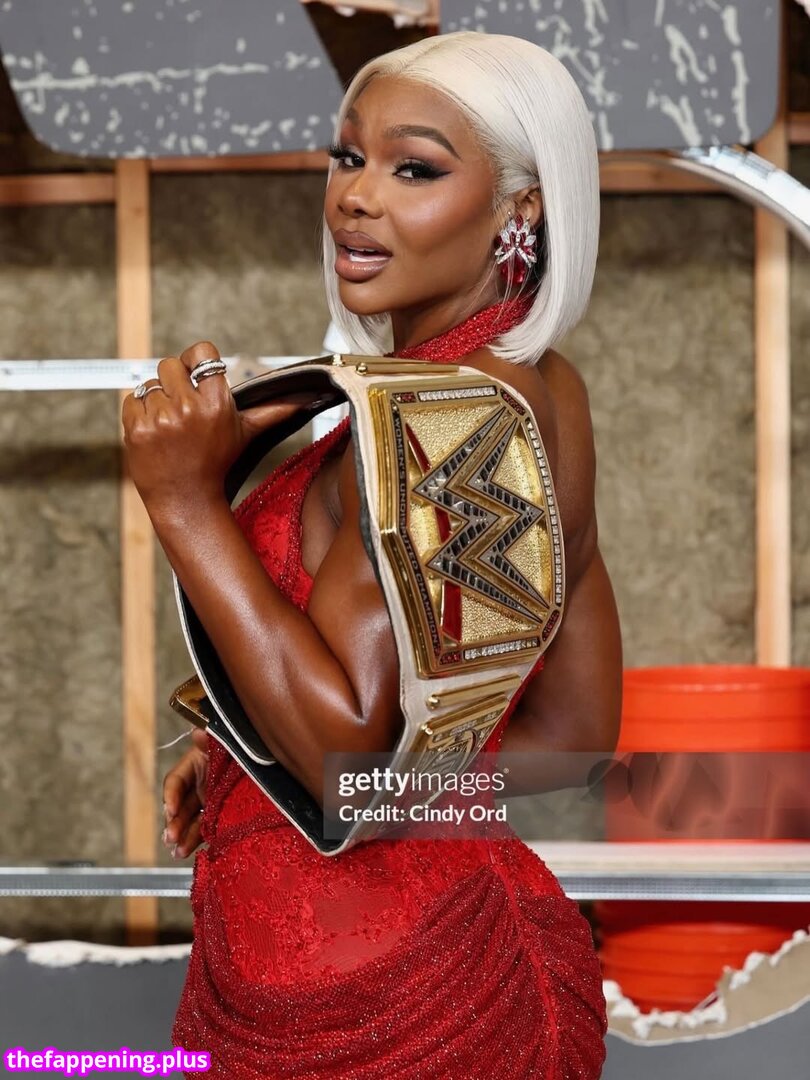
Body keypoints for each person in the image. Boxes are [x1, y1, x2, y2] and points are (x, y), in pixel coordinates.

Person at [126, 30, 622, 1080]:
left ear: (522, 209)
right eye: (349, 157)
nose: (356, 196)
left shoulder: (440, 414)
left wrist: (185, 503)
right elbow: (573, 735)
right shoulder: (541, 389)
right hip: (447, 965)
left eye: (416, 169)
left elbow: (349, 777)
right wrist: (257, 764)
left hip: (378, 1018)